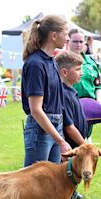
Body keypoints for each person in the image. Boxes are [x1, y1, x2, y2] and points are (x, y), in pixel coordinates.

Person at [21, 15, 72, 167]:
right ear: (54, 35)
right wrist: (60, 140)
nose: (68, 38)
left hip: (56, 126)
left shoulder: (52, 62)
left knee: (51, 184)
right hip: (40, 130)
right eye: (65, 33)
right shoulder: (36, 64)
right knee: (33, 186)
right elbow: (36, 110)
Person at [56, 50, 88, 199]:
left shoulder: (72, 91)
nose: (81, 73)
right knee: (66, 189)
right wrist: (86, 145)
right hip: (69, 150)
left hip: (76, 148)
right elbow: (69, 127)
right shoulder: (63, 93)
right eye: (77, 70)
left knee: (73, 188)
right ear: (64, 72)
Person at [68, 29, 101, 141]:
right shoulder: (61, 61)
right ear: (68, 41)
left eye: (81, 41)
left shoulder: (90, 62)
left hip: (89, 108)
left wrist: (98, 103)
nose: (78, 45)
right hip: (71, 107)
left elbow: (98, 85)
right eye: (75, 41)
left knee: (85, 138)